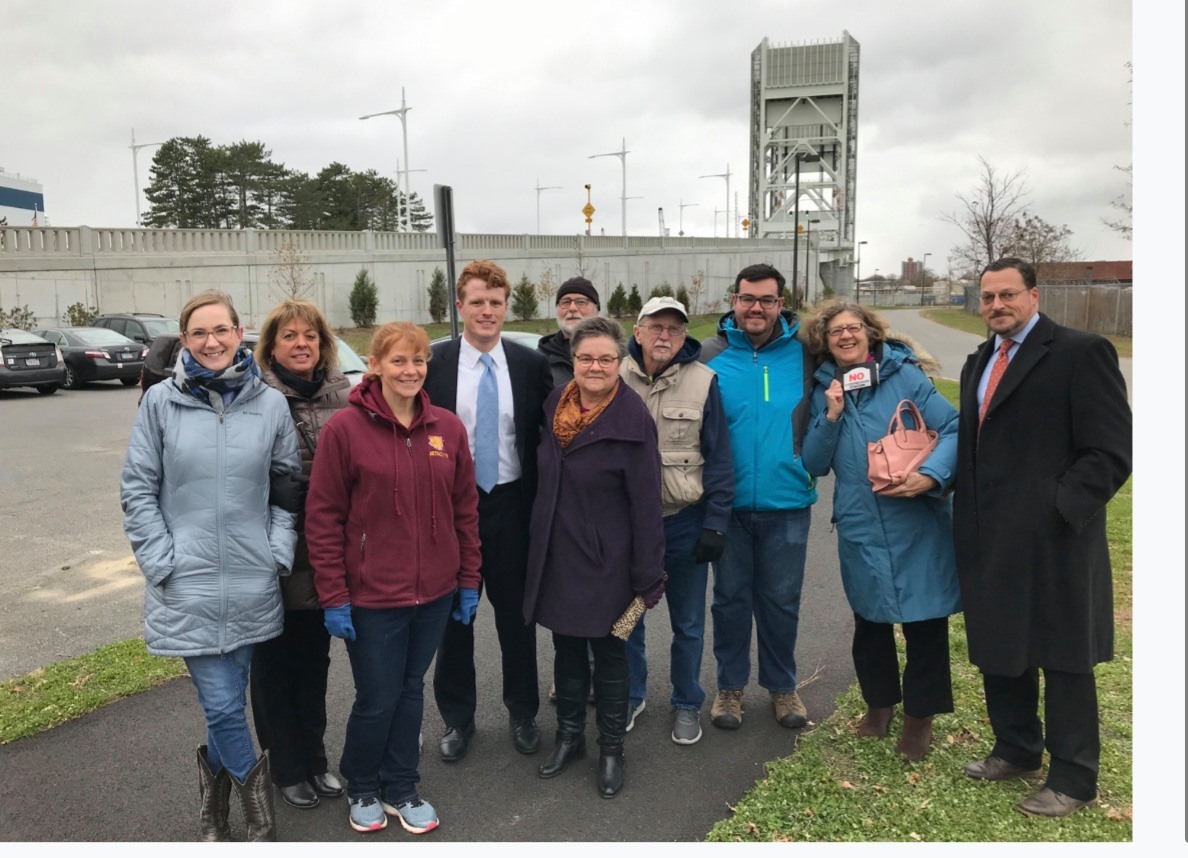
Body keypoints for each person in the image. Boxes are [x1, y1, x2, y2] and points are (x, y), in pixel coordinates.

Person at [954, 258, 1131, 818]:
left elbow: (1109, 451)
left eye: (1008, 294)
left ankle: (1074, 779)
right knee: (1000, 644)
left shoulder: (1081, 352)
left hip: (1055, 539)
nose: (997, 305)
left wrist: (1057, 507)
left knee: (1064, 655)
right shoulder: (979, 360)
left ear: (1034, 296)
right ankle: (1016, 749)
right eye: (988, 297)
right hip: (988, 534)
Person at [120, 289, 299, 842]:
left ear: (239, 333)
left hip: (251, 579)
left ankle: (213, 811)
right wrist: (161, 561)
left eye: (221, 330)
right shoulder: (160, 403)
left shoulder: (270, 405)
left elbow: (287, 489)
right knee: (222, 704)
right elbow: (137, 490)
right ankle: (259, 817)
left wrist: (276, 552)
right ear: (184, 340)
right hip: (186, 582)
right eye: (199, 332)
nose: (211, 341)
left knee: (227, 705)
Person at [304, 321, 481, 835]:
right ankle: (362, 783)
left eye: (418, 360)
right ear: (375, 364)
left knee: (410, 690)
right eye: (398, 360)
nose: (410, 370)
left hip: (435, 592)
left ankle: (402, 785)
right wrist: (333, 594)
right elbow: (324, 517)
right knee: (377, 696)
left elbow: (465, 510)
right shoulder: (344, 430)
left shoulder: (448, 429)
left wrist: (468, 579)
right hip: (372, 596)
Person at [801, 299, 961, 761]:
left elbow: (953, 428)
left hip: (916, 518)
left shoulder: (904, 376)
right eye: (836, 332)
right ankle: (880, 704)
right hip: (860, 521)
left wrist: (931, 475)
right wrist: (831, 415)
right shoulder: (824, 387)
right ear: (825, 343)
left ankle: (920, 717)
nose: (846, 336)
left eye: (853, 328)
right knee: (869, 620)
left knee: (925, 622)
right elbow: (814, 463)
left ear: (870, 333)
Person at [523, 316, 665, 798]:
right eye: (586, 358)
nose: (596, 367)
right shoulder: (554, 405)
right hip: (559, 555)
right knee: (565, 650)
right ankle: (569, 736)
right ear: (573, 360)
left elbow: (647, 504)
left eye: (606, 358)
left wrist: (648, 575)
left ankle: (610, 749)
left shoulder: (633, 421)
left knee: (609, 655)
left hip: (612, 565)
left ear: (620, 362)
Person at [425, 259, 554, 762]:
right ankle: (458, 718)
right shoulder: (433, 363)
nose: (486, 311)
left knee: (516, 620)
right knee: (454, 619)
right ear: (460, 306)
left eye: (495, 302)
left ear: (506, 307)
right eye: (476, 301)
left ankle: (523, 712)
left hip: (511, 506)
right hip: (450, 509)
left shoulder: (529, 365)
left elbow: (543, 437)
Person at [698, 262, 818, 731]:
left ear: (780, 304)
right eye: (747, 298)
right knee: (729, 600)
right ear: (734, 301)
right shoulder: (708, 355)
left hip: (787, 503)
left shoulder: (806, 354)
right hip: (725, 505)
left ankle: (782, 686)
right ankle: (730, 688)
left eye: (767, 300)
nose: (756, 308)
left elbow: (861, 354)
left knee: (781, 601)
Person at [247, 300, 349, 810]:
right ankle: (285, 766)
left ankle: (315, 759)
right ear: (271, 347)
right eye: (289, 335)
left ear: (323, 343)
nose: (301, 343)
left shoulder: (343, 396)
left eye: (310, 335)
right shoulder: (253, 398)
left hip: (326, 553)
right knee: (272, 667)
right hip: (272, 553)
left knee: (314, 663)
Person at [619, 296, 733, 745]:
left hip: (684, 523)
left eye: (674, 329)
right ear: (638, 331)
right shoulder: (613, 376)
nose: (664, 336)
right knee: (627, 619)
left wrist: (716, 523)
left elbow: (719, 457)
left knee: (688, 624)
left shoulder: (704, 381)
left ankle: (687, 702)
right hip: (629, 529)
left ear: (685, 336)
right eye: (656, 327)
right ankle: (631, 694)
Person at [538, 275, 601, 387]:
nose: (572, 308)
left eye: (581, 302)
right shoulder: (538, 361)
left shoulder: (616, 356)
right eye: (565, 302)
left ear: (597, 310)